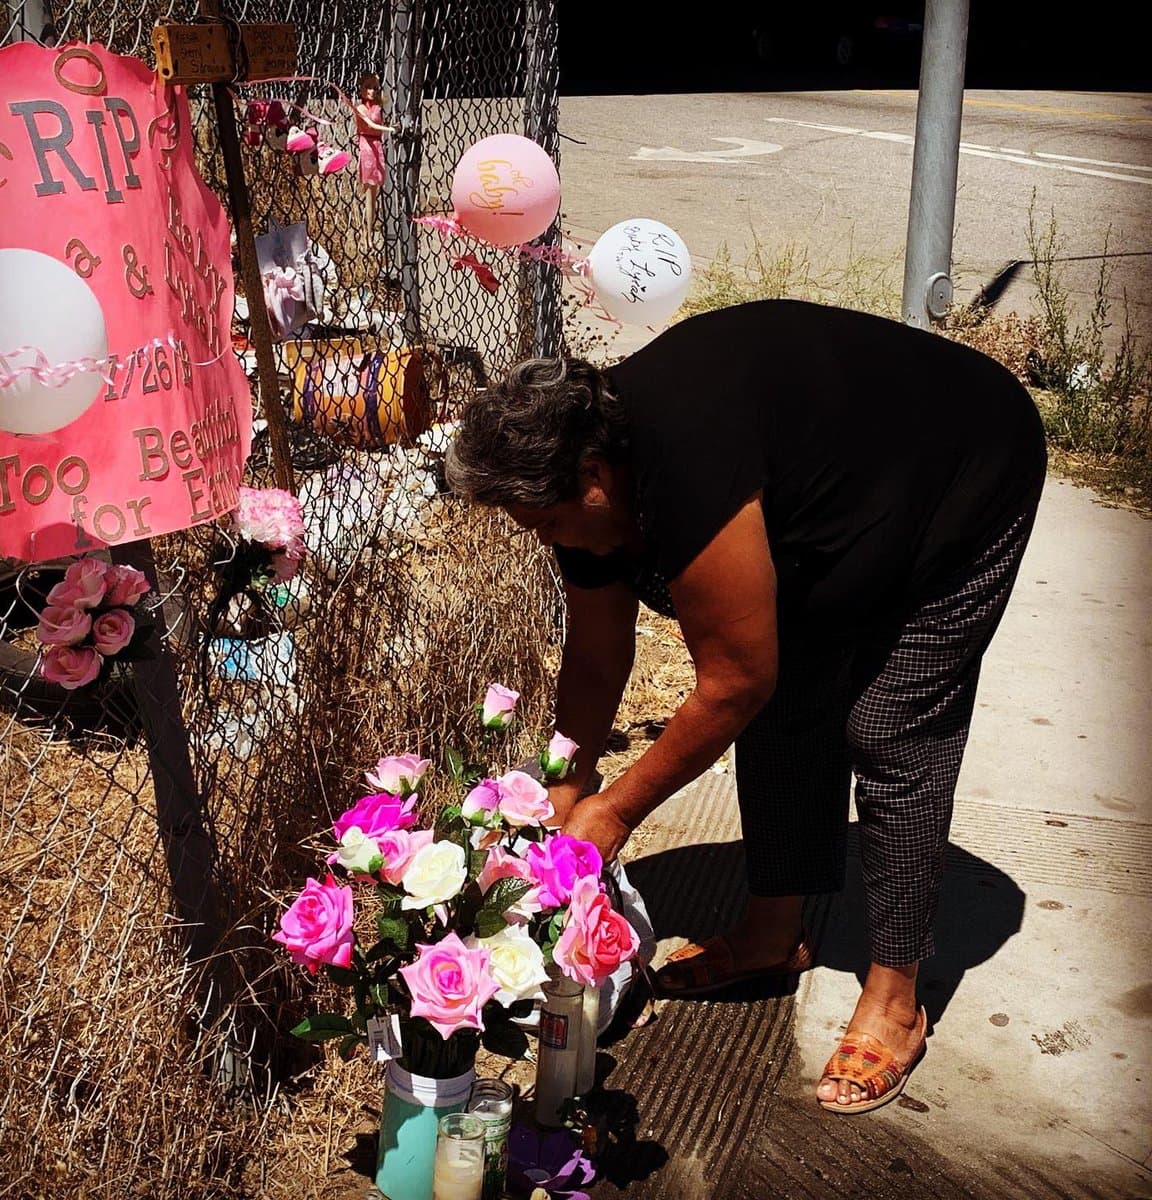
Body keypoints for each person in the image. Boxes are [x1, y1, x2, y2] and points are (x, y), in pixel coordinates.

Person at [444, 299, 1047, 1115]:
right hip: (841, 498)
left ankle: (896, 997)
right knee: (789, 698)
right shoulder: (583, 476)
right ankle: (773, 934)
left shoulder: (685, 463)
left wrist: (615, 812)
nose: (549, 540)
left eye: (549, 522)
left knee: (891, 728)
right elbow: (596, 654)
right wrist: (564, 782)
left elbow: (733, 682)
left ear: (593, 477)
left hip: (965, 469)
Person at [353, 73, 397, 229]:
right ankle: (367, 232)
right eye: (368, 87)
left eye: (375, 88)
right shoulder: (360, 108)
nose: (372, 91)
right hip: (366, 146)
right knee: (368, 193)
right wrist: (389, 129)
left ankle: (369, 231)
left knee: (374, 194)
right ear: (361, 89)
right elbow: (370, 124)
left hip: (377, 146)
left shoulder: (377, 108)